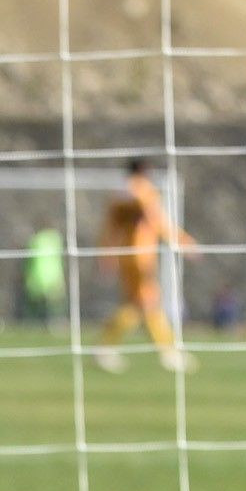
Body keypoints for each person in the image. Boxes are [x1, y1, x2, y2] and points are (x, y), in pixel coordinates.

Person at [95, 158, 199, 374]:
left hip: (125, 255)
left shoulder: (119, 195)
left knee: (142, 304)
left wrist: (107, 256)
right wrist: (183, 241)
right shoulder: (144, 192)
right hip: (141, 256)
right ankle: (165, 352)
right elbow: (158, 222)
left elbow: (109, 229)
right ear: (145, 172)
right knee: (145, 301)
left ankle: (163, 351)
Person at [19, 225, 68, 326]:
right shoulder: (56, 238)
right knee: (54, 300)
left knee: (37, 300)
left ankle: (33, 322)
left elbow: (28, 257)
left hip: (39, 273)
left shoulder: (35, 239)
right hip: (54, 273)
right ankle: (56, 321)